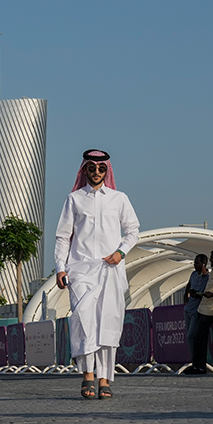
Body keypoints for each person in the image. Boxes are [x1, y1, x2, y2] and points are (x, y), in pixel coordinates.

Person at [54, 149, 140, 400]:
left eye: (101, 168)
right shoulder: (74, 199)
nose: (96, 172)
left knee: (108, 322)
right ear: (84, 170)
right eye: (91, 168)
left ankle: (105, 379)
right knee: (82, 320)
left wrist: (121, 252)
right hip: (80, 269)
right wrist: (60, 266)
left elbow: (133, 230)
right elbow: (63, 236)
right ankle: (87, 374)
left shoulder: (119, 198)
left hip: (110, 269)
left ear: (107, 170)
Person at [183, 254, 210, 362]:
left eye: (197, 263)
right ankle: (194, 358)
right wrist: (186, 294)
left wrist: (197, 294)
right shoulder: (193, 274)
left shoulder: (208, 277)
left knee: (191, 335)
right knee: (189, 335)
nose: (195, 265)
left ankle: (195, 359)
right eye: (194, 262)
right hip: (188, 309)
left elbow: (207, 293)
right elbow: (189, 284)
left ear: (203, 264)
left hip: (196, 311)